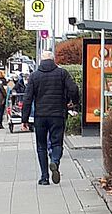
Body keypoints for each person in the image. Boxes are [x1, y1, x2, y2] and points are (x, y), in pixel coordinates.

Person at [22, 50, 80, 186]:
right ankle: (55, 161)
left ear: (41, 60)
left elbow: (27, 98)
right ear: (53, 60)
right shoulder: (62, 73)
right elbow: (73, 89)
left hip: (40, 116)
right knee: (57, 143)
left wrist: (24, 119)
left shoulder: (34, 76)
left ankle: (44, 177)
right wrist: (74, 102)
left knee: (41, 146)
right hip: (58, 114)